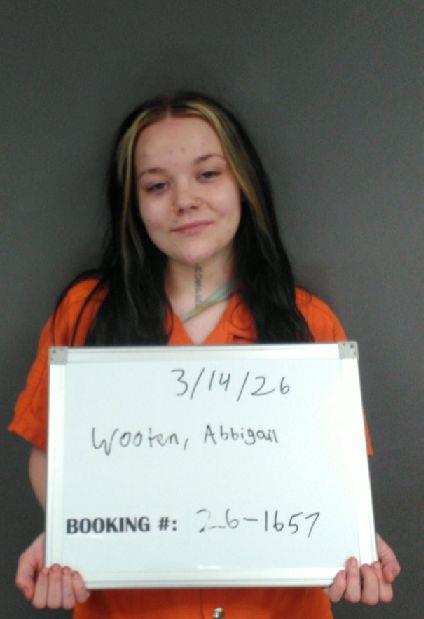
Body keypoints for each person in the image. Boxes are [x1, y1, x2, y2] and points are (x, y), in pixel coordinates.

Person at [10, 91, 400, 618]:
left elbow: (334, 476)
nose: (184, 200)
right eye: (157, 185)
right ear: (133, 204)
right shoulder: (84, 313)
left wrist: (350, 540)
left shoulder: (310, 322)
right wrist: (67, 537)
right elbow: (49, 455)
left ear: (244, 184)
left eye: (208, 174)